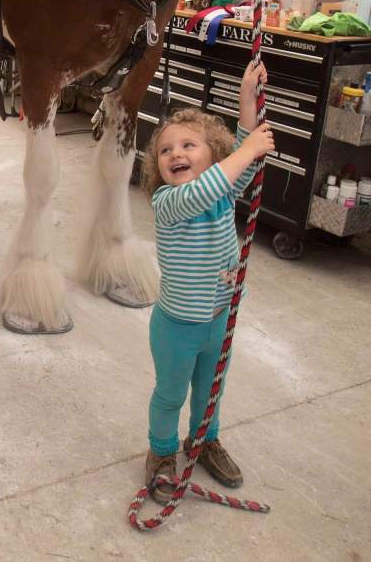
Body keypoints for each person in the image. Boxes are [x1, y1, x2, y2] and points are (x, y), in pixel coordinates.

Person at [139, 61, 273, 499]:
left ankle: (205, 439)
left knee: (211, 390)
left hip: (219, 316)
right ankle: (161, 452)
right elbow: (219, 177)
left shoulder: (220, 192)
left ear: (213, 154)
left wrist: (246, 101)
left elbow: (242, 173)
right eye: (165, 151)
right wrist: (246, 148)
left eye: (188, 145)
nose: (176, 154)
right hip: (177, 325)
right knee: (170, 393)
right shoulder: (170, 201)